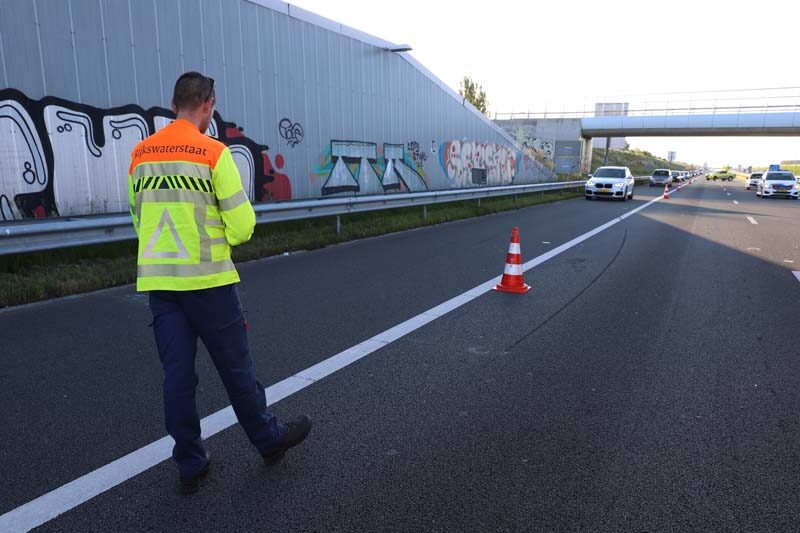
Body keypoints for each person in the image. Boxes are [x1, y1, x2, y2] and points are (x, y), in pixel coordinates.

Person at [128, 71, 311, 494]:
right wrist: (216, 241)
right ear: (208, 105)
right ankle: (268, 441)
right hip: (209, 282)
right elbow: (243, 225)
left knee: (177, 376)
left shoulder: (139, 154)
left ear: (173, 104)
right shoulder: (213, 152)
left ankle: (190, 463)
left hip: (161, 284)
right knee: (235, 370)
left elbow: (139, 218)